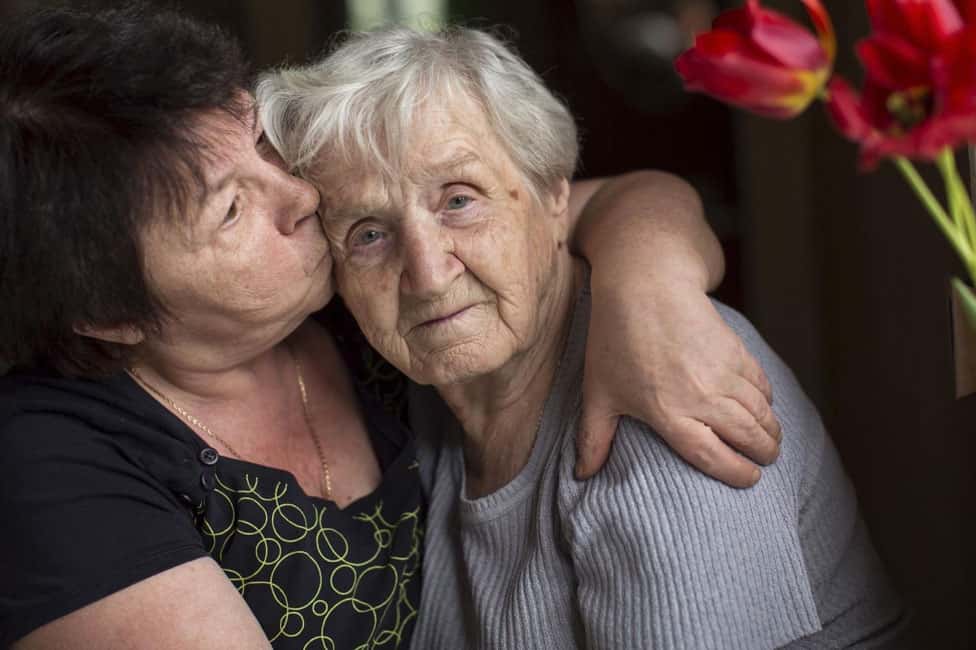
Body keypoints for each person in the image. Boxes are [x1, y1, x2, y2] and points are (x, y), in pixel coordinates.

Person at [0, 4, 782, 649]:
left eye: (263, 143)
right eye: (233, 209)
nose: (300, 196)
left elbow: (598, 201)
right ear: (111, 312)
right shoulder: (46, 459)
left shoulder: (359, 282)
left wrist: (653, 296)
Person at [261, 26, 909, 648]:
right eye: (369, 235)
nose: (427, 276)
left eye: (459, 201)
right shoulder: (418, 394)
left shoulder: (666, 400)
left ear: (553, 198)